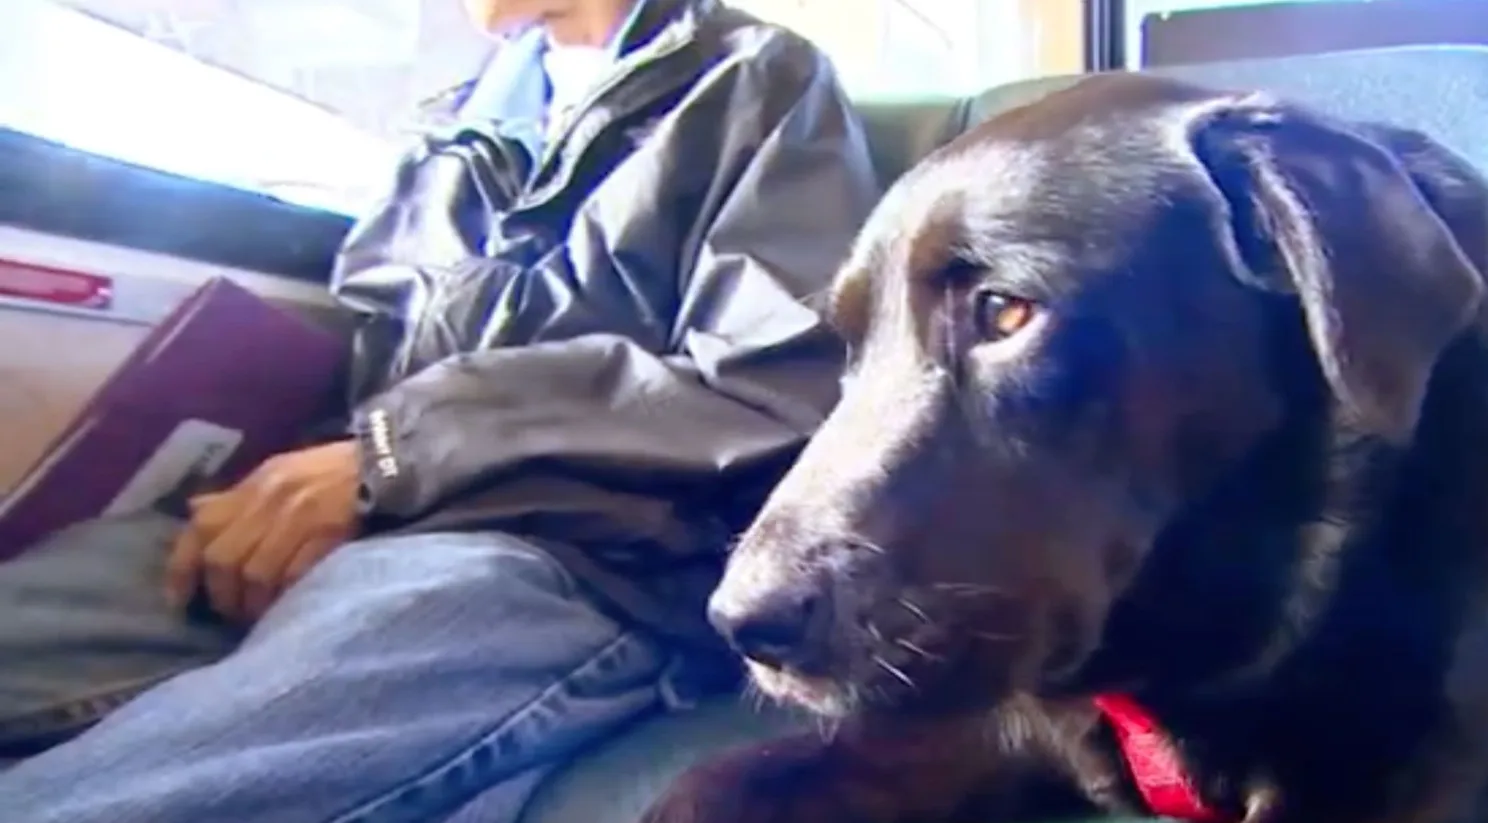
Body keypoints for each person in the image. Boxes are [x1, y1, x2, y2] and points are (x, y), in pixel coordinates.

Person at [0, 0, 879, 820]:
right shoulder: (449, 127)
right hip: (366, 513)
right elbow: (381, 348)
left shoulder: (760, 77)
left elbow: (773, 383)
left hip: (584, 556)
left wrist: (395, 454)